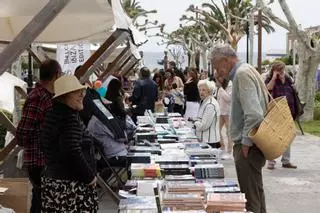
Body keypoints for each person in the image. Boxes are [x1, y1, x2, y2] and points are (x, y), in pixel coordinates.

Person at [211, 44, 267, 213]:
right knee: (256, 192)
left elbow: (254, 114)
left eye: (216, 66)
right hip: (254, 144)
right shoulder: (247, 69)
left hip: (249, 147)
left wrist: (245, 143)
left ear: (225, 61)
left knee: (250, 198)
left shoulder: (242, 74)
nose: (216, 72)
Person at [41, 75, 98, 212]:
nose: (81, 95)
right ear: (65, 96)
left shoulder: (54, 114)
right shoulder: (68, 117)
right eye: (77, 92)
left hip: (56, 183)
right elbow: (71, 150)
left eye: (82, 92)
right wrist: (89, 176)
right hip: (71, 187)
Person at [16, 59, 62, 213]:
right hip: (39, 160)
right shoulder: (38, 97)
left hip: (46, 159)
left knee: (43, 201)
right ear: (56, 75)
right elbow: (22, 133)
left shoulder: (47, 96)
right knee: (42, 201)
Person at [265, 61, 297, 169]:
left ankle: (286, 160)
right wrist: (274, 78)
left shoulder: (288, 79)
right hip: (275, 111)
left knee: (288, 136)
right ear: (274, 70)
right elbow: (267, 88)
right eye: (279, 70)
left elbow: (293, 90)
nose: (282, 72)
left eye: (283, 69)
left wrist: (285, 78)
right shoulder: (270, 79)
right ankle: (271, 161)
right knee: (273, 136)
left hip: (289, 110)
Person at [194, 80, 221, 148]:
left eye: (203, 90)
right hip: (205, 139)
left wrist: (195, 122)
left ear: (209, 91)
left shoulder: (210, 104)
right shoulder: (205, 101)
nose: (201, 92)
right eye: (200, 90)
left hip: (209, 141)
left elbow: (204, 125)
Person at [216, 76, 233, 159]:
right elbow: (218, 98)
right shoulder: (220, 87)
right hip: (220, 111)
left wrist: (221, 89)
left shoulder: (230, 85)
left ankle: (229, 151)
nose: (218, 79)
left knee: (229, 132)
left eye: (219, 77)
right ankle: (222, 147)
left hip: (228, 112)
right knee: (216, 129)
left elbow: (229, 99)